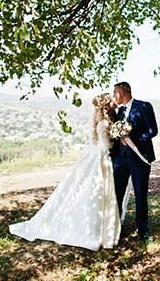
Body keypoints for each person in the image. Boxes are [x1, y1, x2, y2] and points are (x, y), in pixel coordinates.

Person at [9, 93, 122, 250]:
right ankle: (93, 230)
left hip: (101, 159)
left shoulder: (106, 121)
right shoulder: (103, 124)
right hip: (101, 160)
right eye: (111, 102)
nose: (114, 103)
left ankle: (103, 228)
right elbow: (108, 145)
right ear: (105, 106)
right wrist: (118, 136)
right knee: (98, 194)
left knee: (100, 194)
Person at [111, 81, 158, 243]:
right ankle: (114, 228)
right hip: (120, 160)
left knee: (140, 193)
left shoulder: (144, 106)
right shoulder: (117, 113)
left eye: (114, 92)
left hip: (140, 158)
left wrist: (133, 139)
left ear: (122, 92)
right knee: (116, 192)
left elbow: (153, 131)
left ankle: (142, 229)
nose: (113, 96)